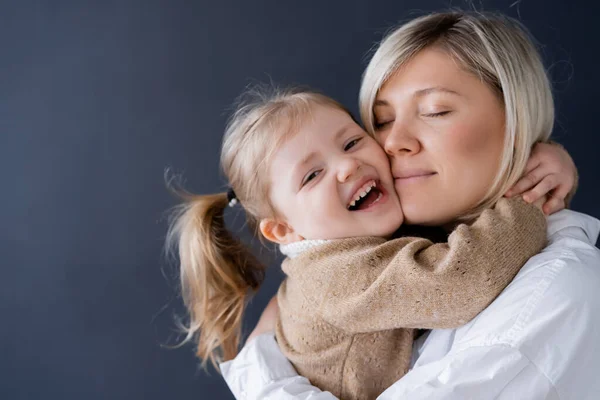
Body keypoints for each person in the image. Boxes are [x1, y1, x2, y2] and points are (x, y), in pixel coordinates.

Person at [219, 11, 600, 400]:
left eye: (435, 111)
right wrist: (527, 195)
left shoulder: (556, 293)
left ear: (515, 119)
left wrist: (536, 179)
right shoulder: (346, 268)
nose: (392, 142)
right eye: (381, 121)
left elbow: (463, 276)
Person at [166, 86, 551, 399]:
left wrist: (548, 164)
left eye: (351, 143)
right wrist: (527, 197)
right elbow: (461, 281)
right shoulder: (334, 277)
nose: (347, 165)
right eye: (312, 175)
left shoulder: (354, 240)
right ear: (284, 230)